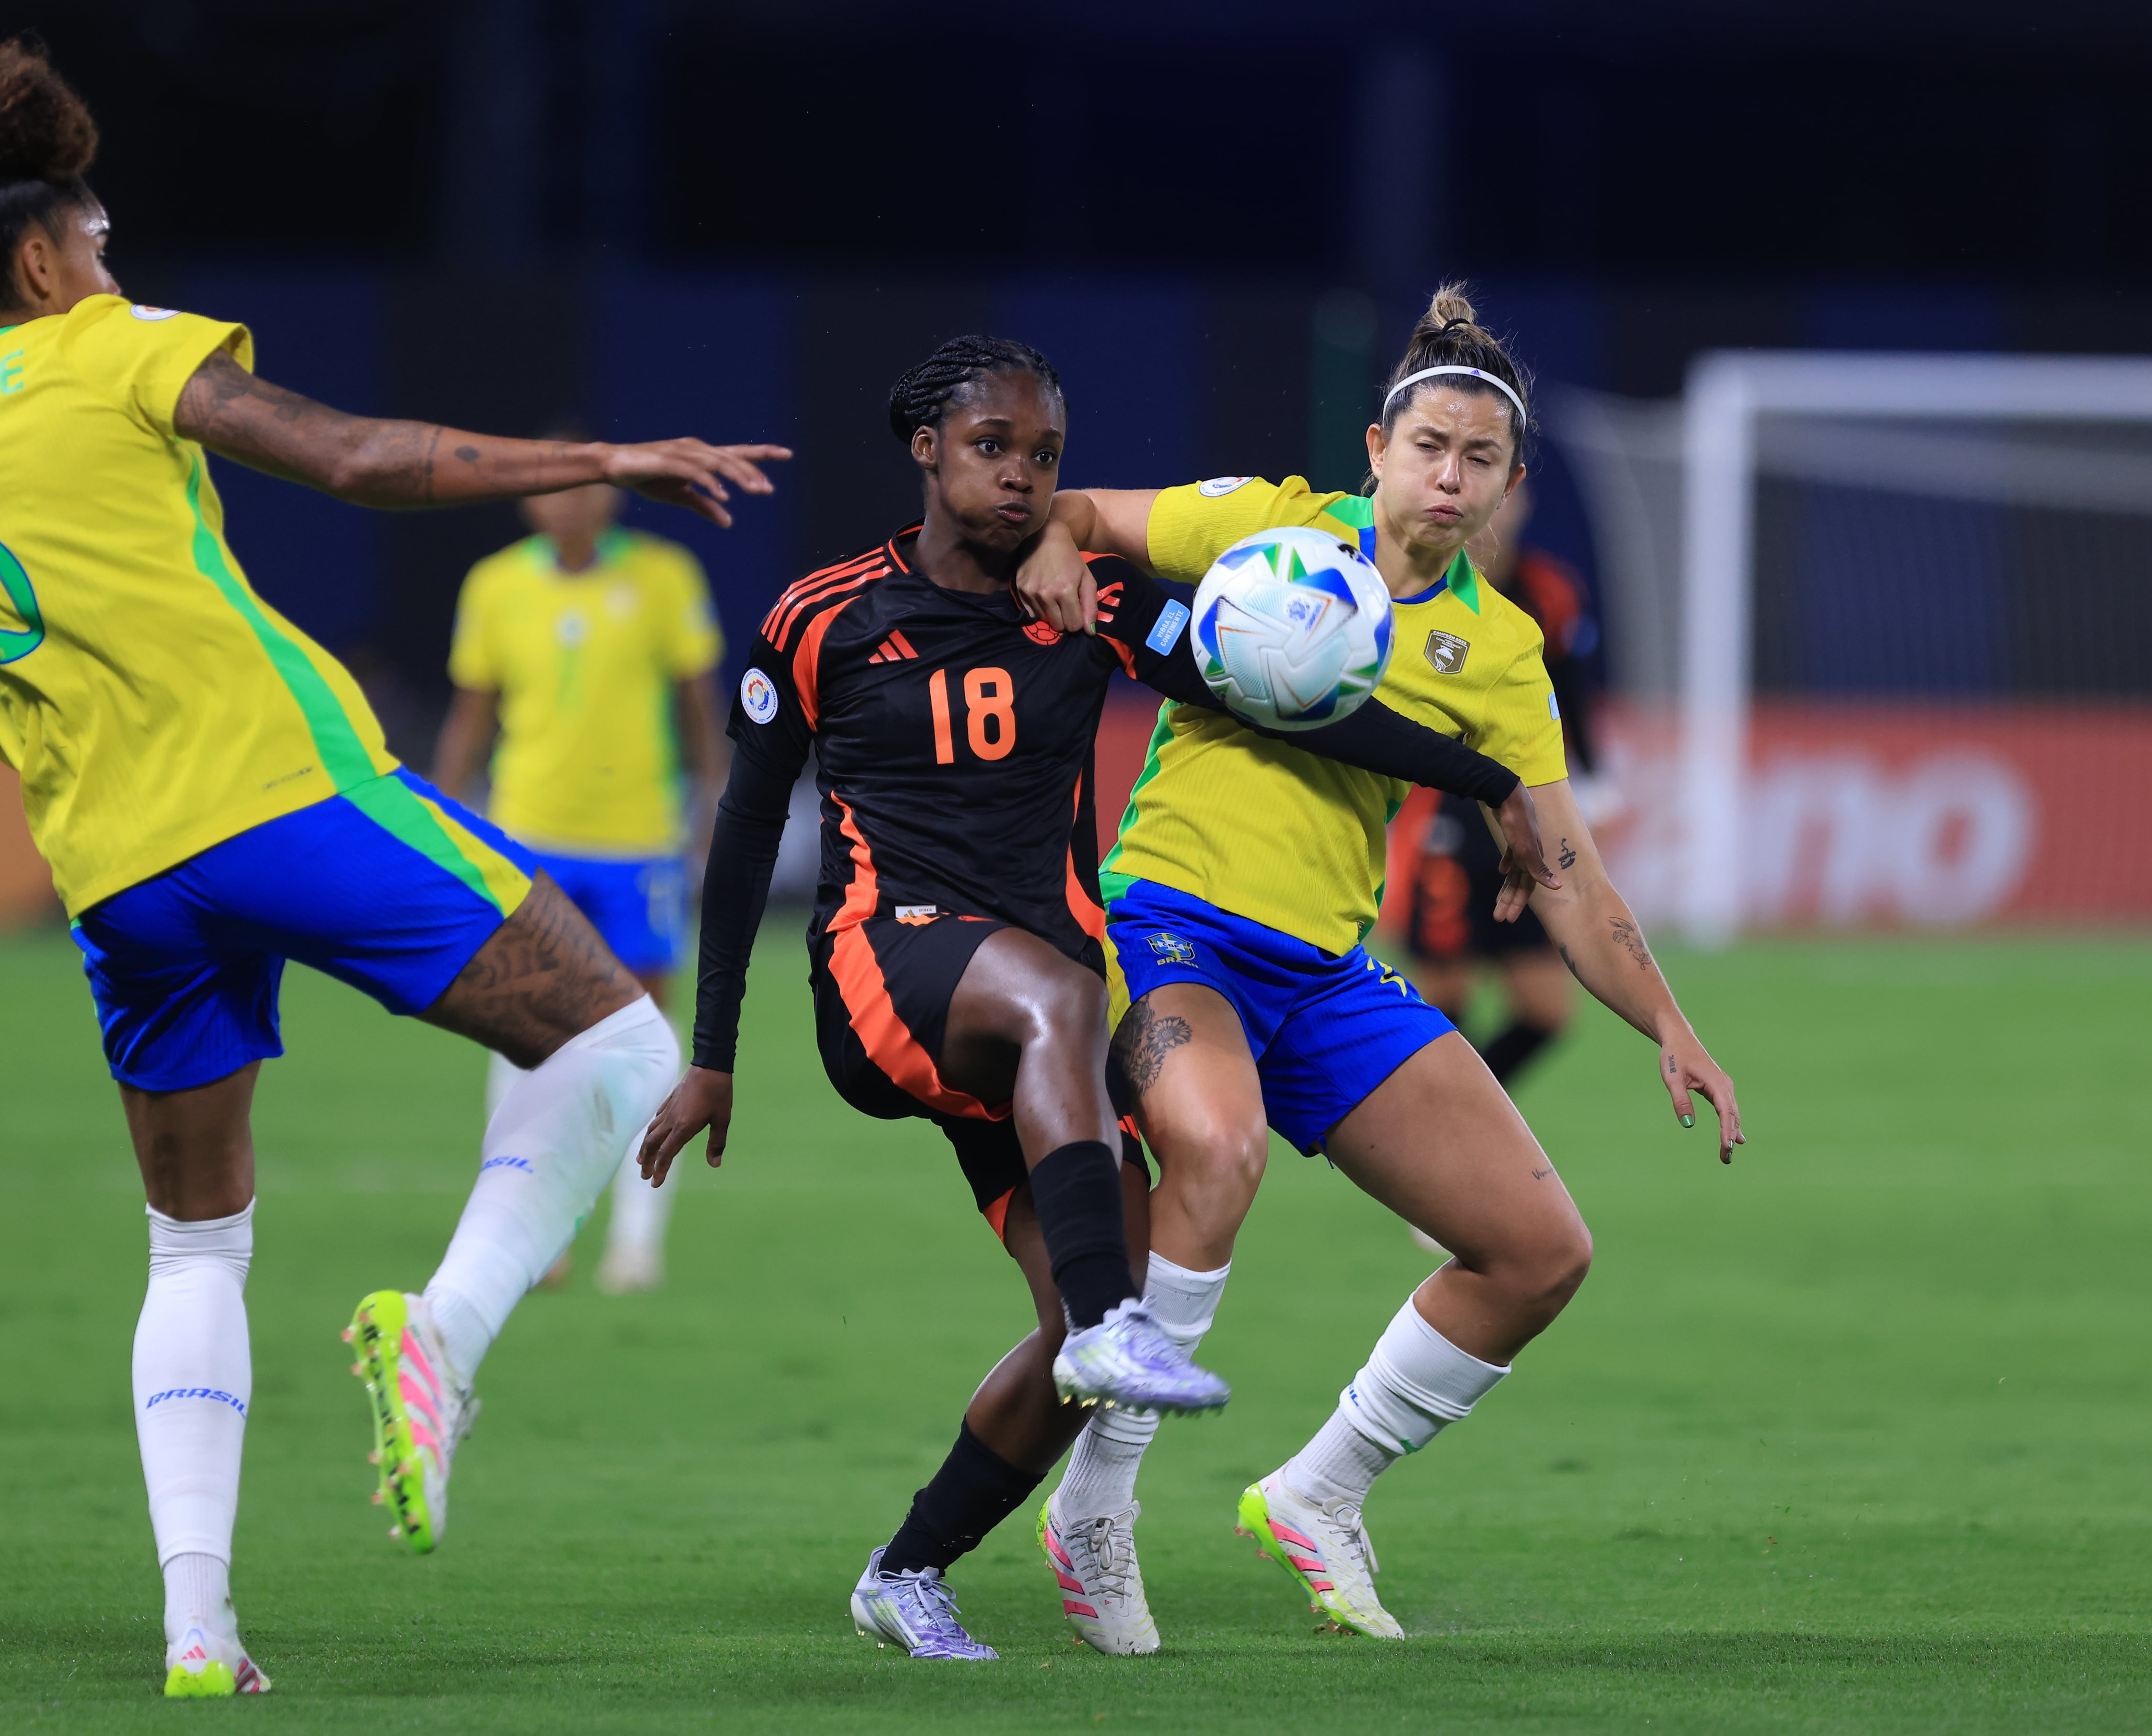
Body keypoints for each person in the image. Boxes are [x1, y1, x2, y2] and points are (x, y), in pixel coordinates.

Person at [0, 41, 784, 1699]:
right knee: (625, 1042)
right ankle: (447, 1332)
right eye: (100, 239)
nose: (112, 263)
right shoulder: (113, 346)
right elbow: (354, 455)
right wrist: (601, 463)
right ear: (43, 261)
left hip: (117, 873)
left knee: (195, 1247)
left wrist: (66, 713)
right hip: (282, 797)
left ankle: (198, 1629)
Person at [638, 335, 1545, 1662]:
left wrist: (1487, 780)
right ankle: (1123, 1334)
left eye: (1044, 456)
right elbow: (740, 831)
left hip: (1026, 1017)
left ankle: (906, 1567)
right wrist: (710, 1050)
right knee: (1072, 1016)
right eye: (991, 447)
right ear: (928, 451)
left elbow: (1281, 704)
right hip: (884, 972)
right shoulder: (821, 616)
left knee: (1075, 1321)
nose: (1019, 477)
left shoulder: (1099, 604)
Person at [1012, 284, 1743, 1649]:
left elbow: (1568, 866)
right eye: (1430, 448)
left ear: (1512, 481)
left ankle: (1320, 1487)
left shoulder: (1503, 650)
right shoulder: (1271, 526)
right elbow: (1081, 512)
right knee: (1216, 1154)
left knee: (1538, 1249)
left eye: (1480, 458)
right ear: (1378, 447)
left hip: (1327, 972)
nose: (1450, 476)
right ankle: (1094, 1503)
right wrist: (1056, 545)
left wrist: (1669, 1020)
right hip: (1173, 927)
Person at [434, 445, 727, 1292]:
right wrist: (441, 818)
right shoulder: (494, 585)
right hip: (530, 838)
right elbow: (471, 712)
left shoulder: (666, 577)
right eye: (554, 491)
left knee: (648, 1030)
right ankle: (533, 1230)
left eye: (587, 490)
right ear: (530, 503)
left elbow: (700, 702)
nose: (570, 506)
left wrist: (710, 805)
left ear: (615, 500)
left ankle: (637, 1242)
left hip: (639, 840)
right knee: (523, 1024)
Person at [1399, 479, 1605, 1095]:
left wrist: (1594, 780)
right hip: (1448, 815)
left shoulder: (1550, 592)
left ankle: (1462, 1114)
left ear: (1518, 502)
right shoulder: (1430, 586)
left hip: (1526, 822)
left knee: (1546, 1011)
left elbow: (1568, 695)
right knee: (1443, 999)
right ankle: (1430, 1117)